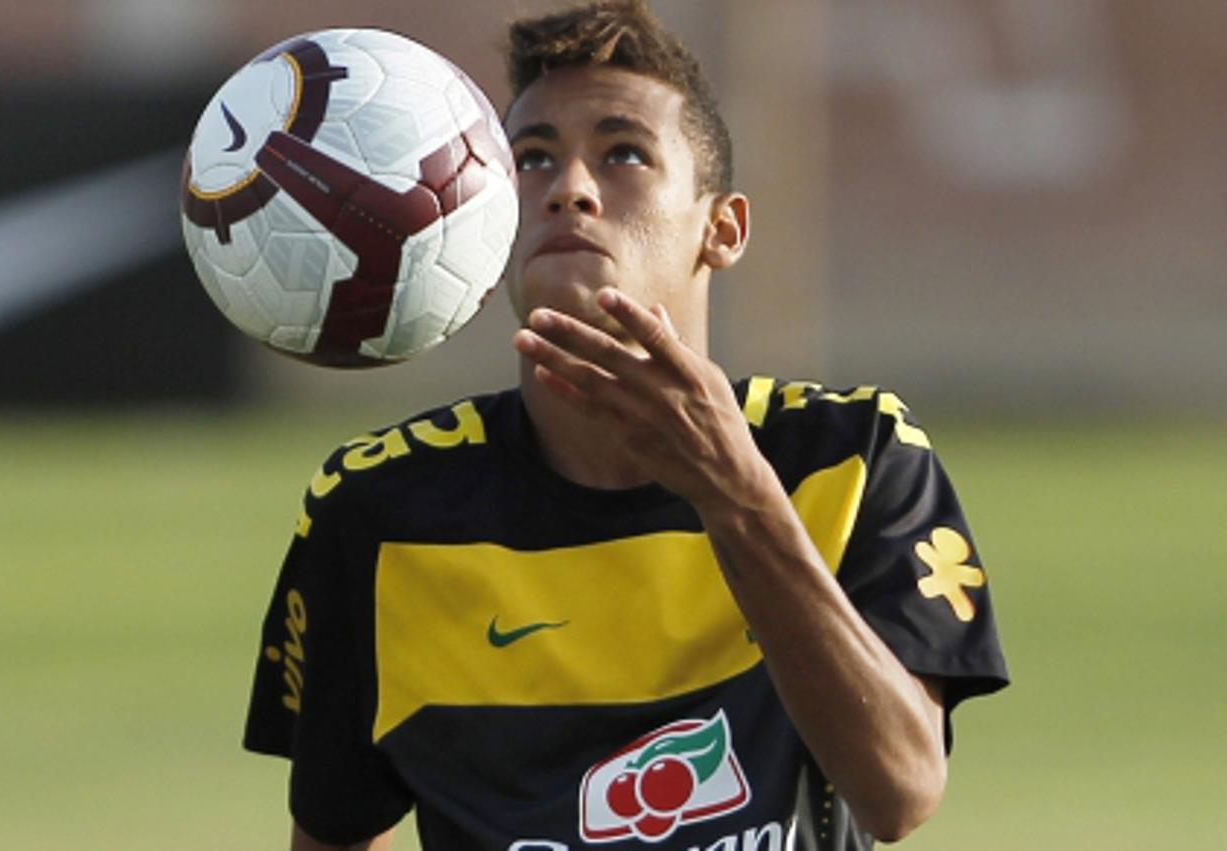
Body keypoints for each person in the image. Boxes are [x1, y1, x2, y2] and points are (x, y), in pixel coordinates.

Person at [244, 2, 1010, 849]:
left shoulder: (848, 459)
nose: (570, 186)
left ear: (722, 229)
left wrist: (737, 493)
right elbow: (333, 830)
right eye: (532, 159)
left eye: (624, 154)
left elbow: (901, 789)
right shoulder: (382, 510)